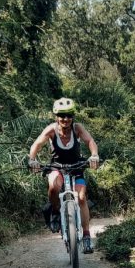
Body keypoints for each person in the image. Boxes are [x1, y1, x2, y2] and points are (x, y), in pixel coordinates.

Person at [28, 98, 100, 254]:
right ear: (56, 116)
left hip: (76, 167)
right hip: (57, 167)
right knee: (53, 187)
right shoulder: (51, 130)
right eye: (62, 115)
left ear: (73, 116)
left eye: (69, 115)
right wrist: (32, 160)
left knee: (81, 197)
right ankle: (55, 212)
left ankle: (87, 236)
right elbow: (37, 144)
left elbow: (90, 141)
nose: (65, 119)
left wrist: (94, 155)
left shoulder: (77, 128)